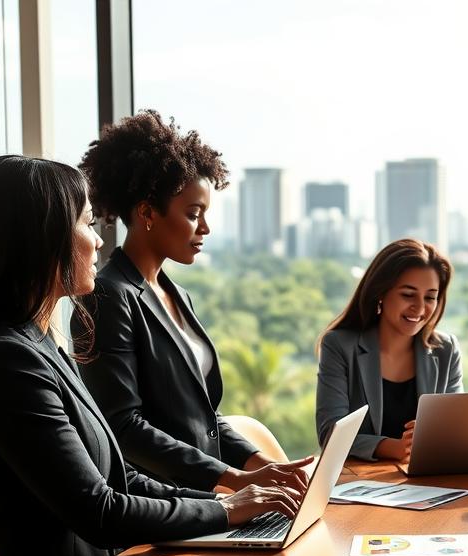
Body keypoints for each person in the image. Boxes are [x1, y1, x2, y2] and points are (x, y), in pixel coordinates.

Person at [0, 155, 310, 556]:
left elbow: (119, 479)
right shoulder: (4, 363)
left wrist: (224, 504)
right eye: (87, 224)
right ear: (38, 239)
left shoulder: (37, 345)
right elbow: (97, 509)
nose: (98, 241)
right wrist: (225, 511)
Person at [72, 111, 307, 496]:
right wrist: (233, 480)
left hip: (211, 500)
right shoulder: (108, 295)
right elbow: (123, 426)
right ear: (147, 212)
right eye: (194, 214)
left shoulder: (177, 296)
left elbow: (205, 419)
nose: (205, 229)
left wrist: (267, 467)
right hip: (159, 505)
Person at [316, 238, 461, 461]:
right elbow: (330, 434)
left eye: (430, 297)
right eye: (408, 294)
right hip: (360, 483)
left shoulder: (446, 350)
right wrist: (395, 447)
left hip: (427, 481)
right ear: (380, 292)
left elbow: (457, 428)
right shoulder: (339, 346)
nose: (420, 308)